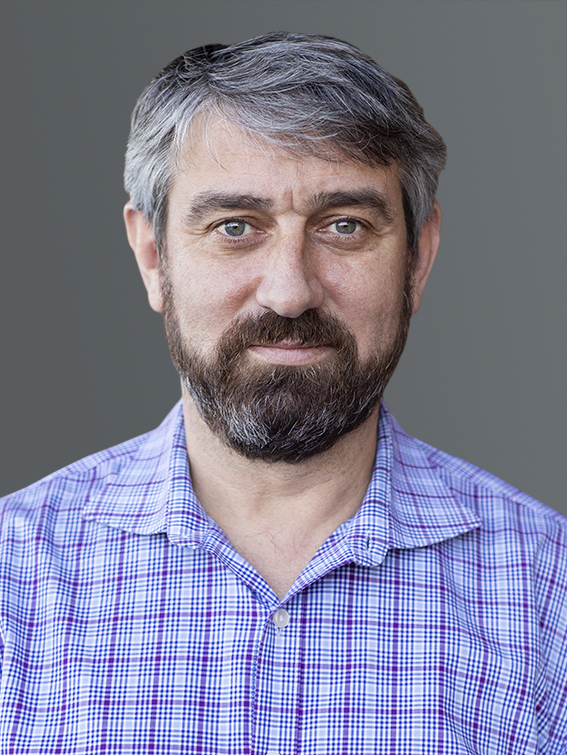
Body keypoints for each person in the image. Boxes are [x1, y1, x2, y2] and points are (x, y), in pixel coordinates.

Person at [0, 32, 565, 753]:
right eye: (235, 226)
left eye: (343, 226)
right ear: (153, 256)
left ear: (418, 259)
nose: (290, 291)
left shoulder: (550, 595)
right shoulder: (13, 578)